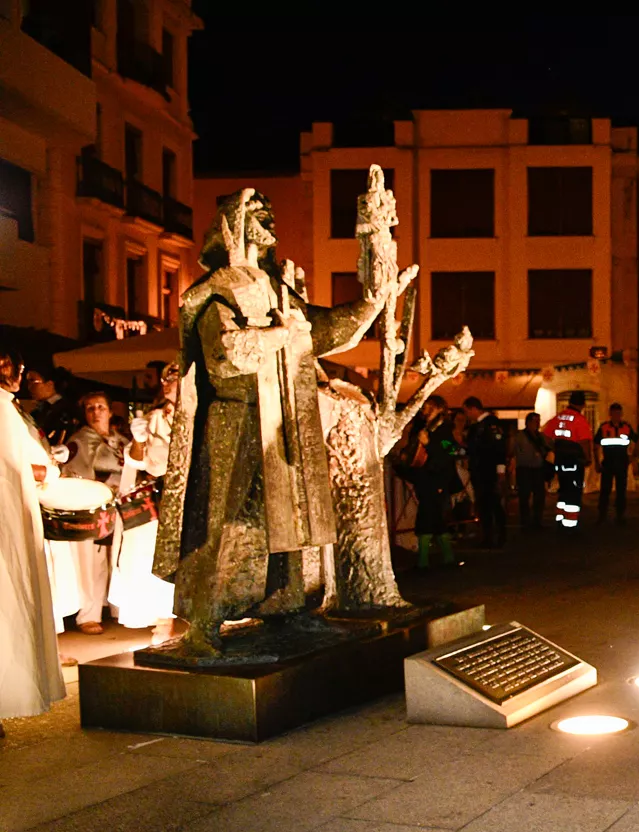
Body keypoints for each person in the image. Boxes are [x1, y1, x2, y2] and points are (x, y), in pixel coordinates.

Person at [154, 189, 402, 654]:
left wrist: (367, 307)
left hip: (281, 417)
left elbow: (321, 331)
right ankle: (203, 626)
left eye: (270, 212)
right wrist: (280, 334)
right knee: (225, 524)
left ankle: (290, 610)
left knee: (291, 524)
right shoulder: (217, 290)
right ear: (233, 224)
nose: (269, 219)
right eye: (257, 212)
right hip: (235, 420)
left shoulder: (275, 286)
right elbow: (225, 355)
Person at [0, 352, 67, 737]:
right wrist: (45, 471)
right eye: (11, 363)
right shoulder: (4, 409)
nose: (20, 372)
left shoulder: (9, 408)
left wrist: (46, 469)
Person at [109, 370, 177, 642]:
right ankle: (163, 624)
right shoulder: (154, 419)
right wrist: (138, 441)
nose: (171, 383)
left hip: (194, 491)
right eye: (168, 379)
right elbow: (136, 462)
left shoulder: (204, 414)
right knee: (151, 556)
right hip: (160, 496)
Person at [63, 391, 126, 635]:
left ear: (110, 411)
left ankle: (118, 607)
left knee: (117, 559)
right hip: (94, 506)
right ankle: (88, 614)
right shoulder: (79, 440)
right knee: (93, 562)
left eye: (100, 407)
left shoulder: (121, 440)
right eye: (90, 408)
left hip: (121, 506)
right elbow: (76, 470)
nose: (96, 412)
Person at [398, 396, 460, 569]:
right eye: (424, 407)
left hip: (438, 479)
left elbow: (451, 451)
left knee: (430, 517)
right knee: (431, 517)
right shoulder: (421, 427)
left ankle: (427, 560)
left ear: (439, 409)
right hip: (424, 478)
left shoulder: (445, 429)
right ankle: (443, 558)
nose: (424, 411)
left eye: (428, 407)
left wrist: (429, 444)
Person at [462, 396, 508, 548]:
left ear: (473, 408)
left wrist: (500, 470)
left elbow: (499, 449)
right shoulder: (476, 427)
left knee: (493, 503)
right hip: (479, 471)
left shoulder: (491, 425)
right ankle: (488, 537)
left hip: (488, 471)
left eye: (466, 411)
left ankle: (499, 535)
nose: (466, 415)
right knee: (484, 505)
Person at [542, 390, 591, 530]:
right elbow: (584, 442)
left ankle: (560, 519)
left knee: (563, 490)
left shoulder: (558, 417)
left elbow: (545, 435)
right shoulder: (579, 420)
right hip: (574, 461)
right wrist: (587, 458)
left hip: (560, 460)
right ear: (583, 404)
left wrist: (553, 448)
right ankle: (570, 524)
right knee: (573, 493)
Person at [593, 402, 635, 523]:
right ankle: (602, 515)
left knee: (621, 491)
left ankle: (620, 515)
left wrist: (632, 456)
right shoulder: (604, 427)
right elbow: (595, 445)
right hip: (608, 463)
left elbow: (635, 440)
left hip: (622, 462)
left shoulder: (626, 427)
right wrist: (597, 462)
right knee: (605, 490)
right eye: (614, 413)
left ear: (621, 414)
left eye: (618, 413)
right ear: (610, 414)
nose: (616, 415)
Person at [23, 365, 78, 447]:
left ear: (49, 384)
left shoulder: (67, 411)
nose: (29, 387)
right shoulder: (37, 411)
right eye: (28, 382)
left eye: (33, 381)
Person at [510, 411, 548, 529]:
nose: (537, 423)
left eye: (538, 421)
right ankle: (525, 521)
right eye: (535, 421)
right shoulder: (519, 436)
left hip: (538, 470)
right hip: (524, 469)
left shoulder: (541, 437)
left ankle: (537, 520)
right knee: (524, 496)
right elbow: (511, 451)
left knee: (539, 496)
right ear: (528, 422)